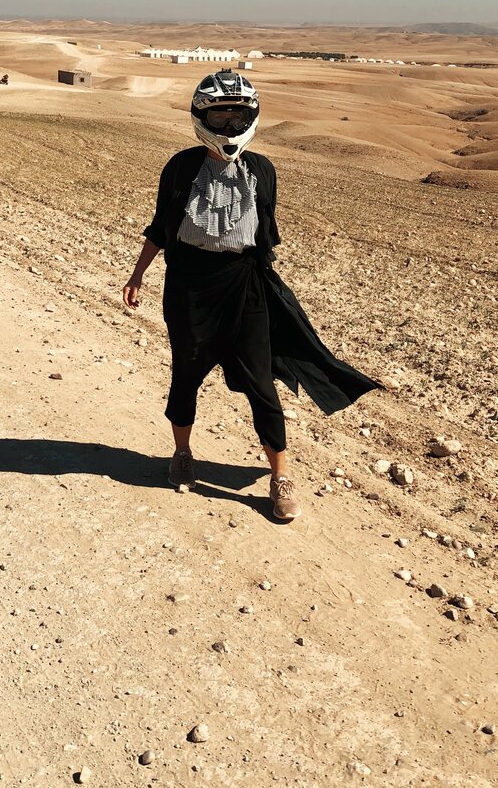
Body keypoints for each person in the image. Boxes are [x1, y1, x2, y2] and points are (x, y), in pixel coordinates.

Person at [123, 70, 377, 522]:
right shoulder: (180, 167)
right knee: (186, 375)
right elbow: (161, 228)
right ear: (201, 118)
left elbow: (265, 233)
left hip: (245, 288)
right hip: (189, 289)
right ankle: (182, 455)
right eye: (219, 116)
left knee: (262, 384)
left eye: (236, 116)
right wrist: (138, 274)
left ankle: (280, 479)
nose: (227, 126)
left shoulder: (262, 170)